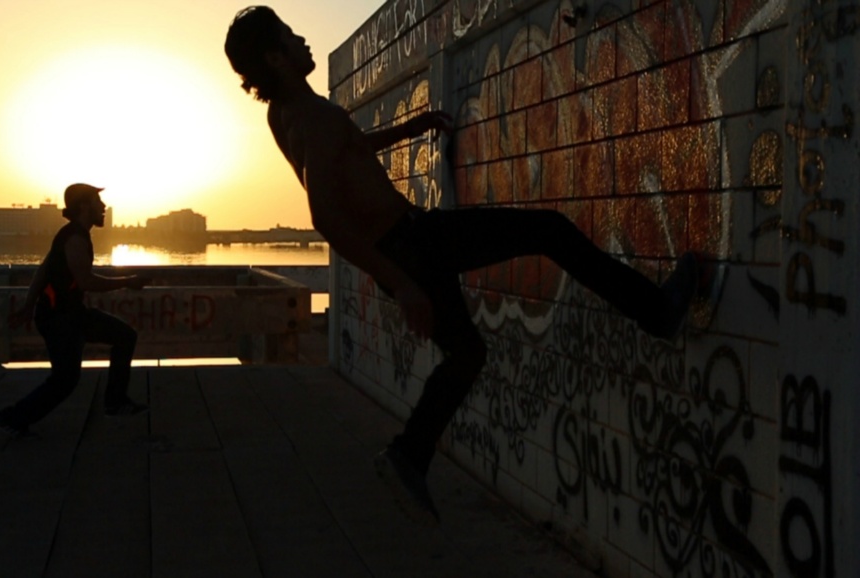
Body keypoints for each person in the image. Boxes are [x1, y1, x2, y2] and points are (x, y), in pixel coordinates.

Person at [224, 6, 699, 526]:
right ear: (277, 56)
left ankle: (409, 454)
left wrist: (411, 127)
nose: (304, 41)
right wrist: (404, 285)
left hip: (403, 249)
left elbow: (349, 150)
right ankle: (657, 311)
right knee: (549, 230)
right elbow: (325, 217)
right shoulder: (312, 117)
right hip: (412, 243)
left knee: (467, 352)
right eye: (292, 37)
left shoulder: (287, 114)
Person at [0, 183, 149, 438]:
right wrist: (128, 281)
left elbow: (42, 272)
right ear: (84, 206)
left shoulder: (70, 235)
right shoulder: (75, 238)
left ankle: (115, 403)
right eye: (98, 202)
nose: (104, 207)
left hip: (69, 315)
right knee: (65, 381)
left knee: (123, 337)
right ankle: (12, 417)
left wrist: (28, 306)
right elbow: (86, 281)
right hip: (60, 319)